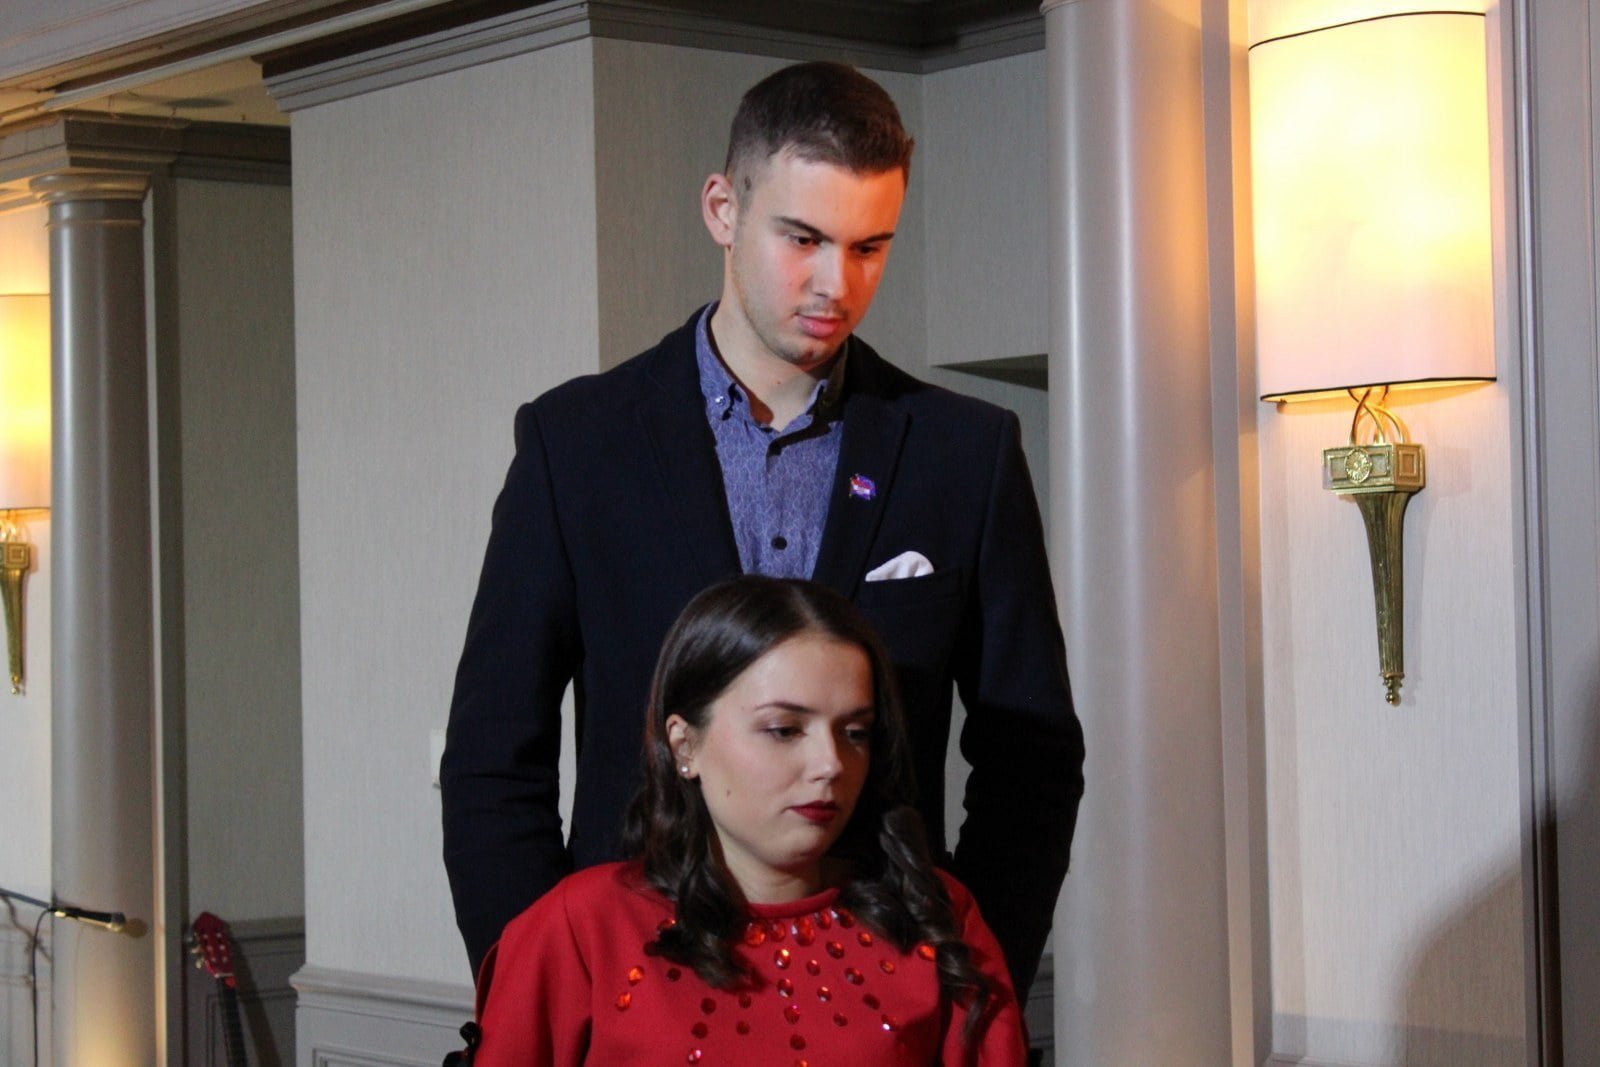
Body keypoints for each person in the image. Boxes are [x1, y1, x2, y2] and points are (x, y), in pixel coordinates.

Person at [442, 60, 1083, 998]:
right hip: (630, 991)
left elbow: (1032, 762)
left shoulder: (965, 452)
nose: (835, 283)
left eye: (869, 246)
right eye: (803, 238)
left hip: (885, 995)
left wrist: (967, 981)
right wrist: (537, 995)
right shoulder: (575, 443)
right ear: (722, 209)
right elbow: (494, 758)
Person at [466, 577, 1027, 1065]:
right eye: (784, 730)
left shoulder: (934, 918)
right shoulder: (582, 927)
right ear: (685, 745)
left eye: (855, 732)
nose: (831, 764)